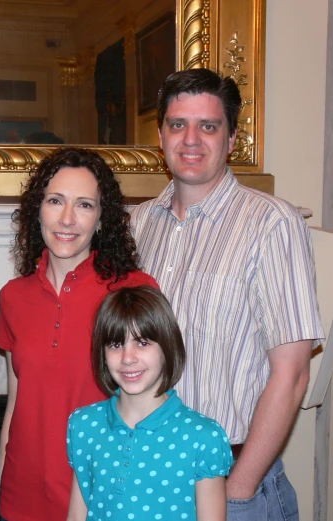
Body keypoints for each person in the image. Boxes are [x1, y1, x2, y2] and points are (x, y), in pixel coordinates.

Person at [130, 68, 325, 520]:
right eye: (178, 125)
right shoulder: (137, 225)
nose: (191, 139)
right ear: (160, 136)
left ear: (232, 139)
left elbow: (292, 373)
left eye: (209, 126)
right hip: (151, 480)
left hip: (233, 482)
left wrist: (237, 489)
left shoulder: (272, 224)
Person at [0, 147, 159, 521]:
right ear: (37, 209)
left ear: (102, 219)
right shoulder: (13, 297)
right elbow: (15, 404)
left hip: (104, 499)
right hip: (21, 500)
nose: (67, 218)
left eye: (85, 205)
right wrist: (1, 483)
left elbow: (154, 405)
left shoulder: (133, 291)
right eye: (56, 201)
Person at [66, 285, 232, 521]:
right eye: (115, 344)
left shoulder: (203, 437)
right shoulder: (84, 425)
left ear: (167, 347)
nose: (127, 358)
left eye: (142, 343)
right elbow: (76, 516)